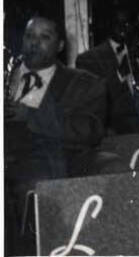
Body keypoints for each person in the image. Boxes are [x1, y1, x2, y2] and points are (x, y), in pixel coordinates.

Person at [5, 15, 107, 254]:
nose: (34, 43)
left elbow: (88, 131)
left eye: (44, 37)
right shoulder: (6, 74)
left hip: (42, 166)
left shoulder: (84, 83)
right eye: (30, 36)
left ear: (60, 46)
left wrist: (30, 115)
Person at [75, 4, 139, 133]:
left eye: (128, 23)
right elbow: (96, 103)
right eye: (118, 23)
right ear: (108, 24)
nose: (124, 28)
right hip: (118, 129)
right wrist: (121, 73)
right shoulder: (89, 59)